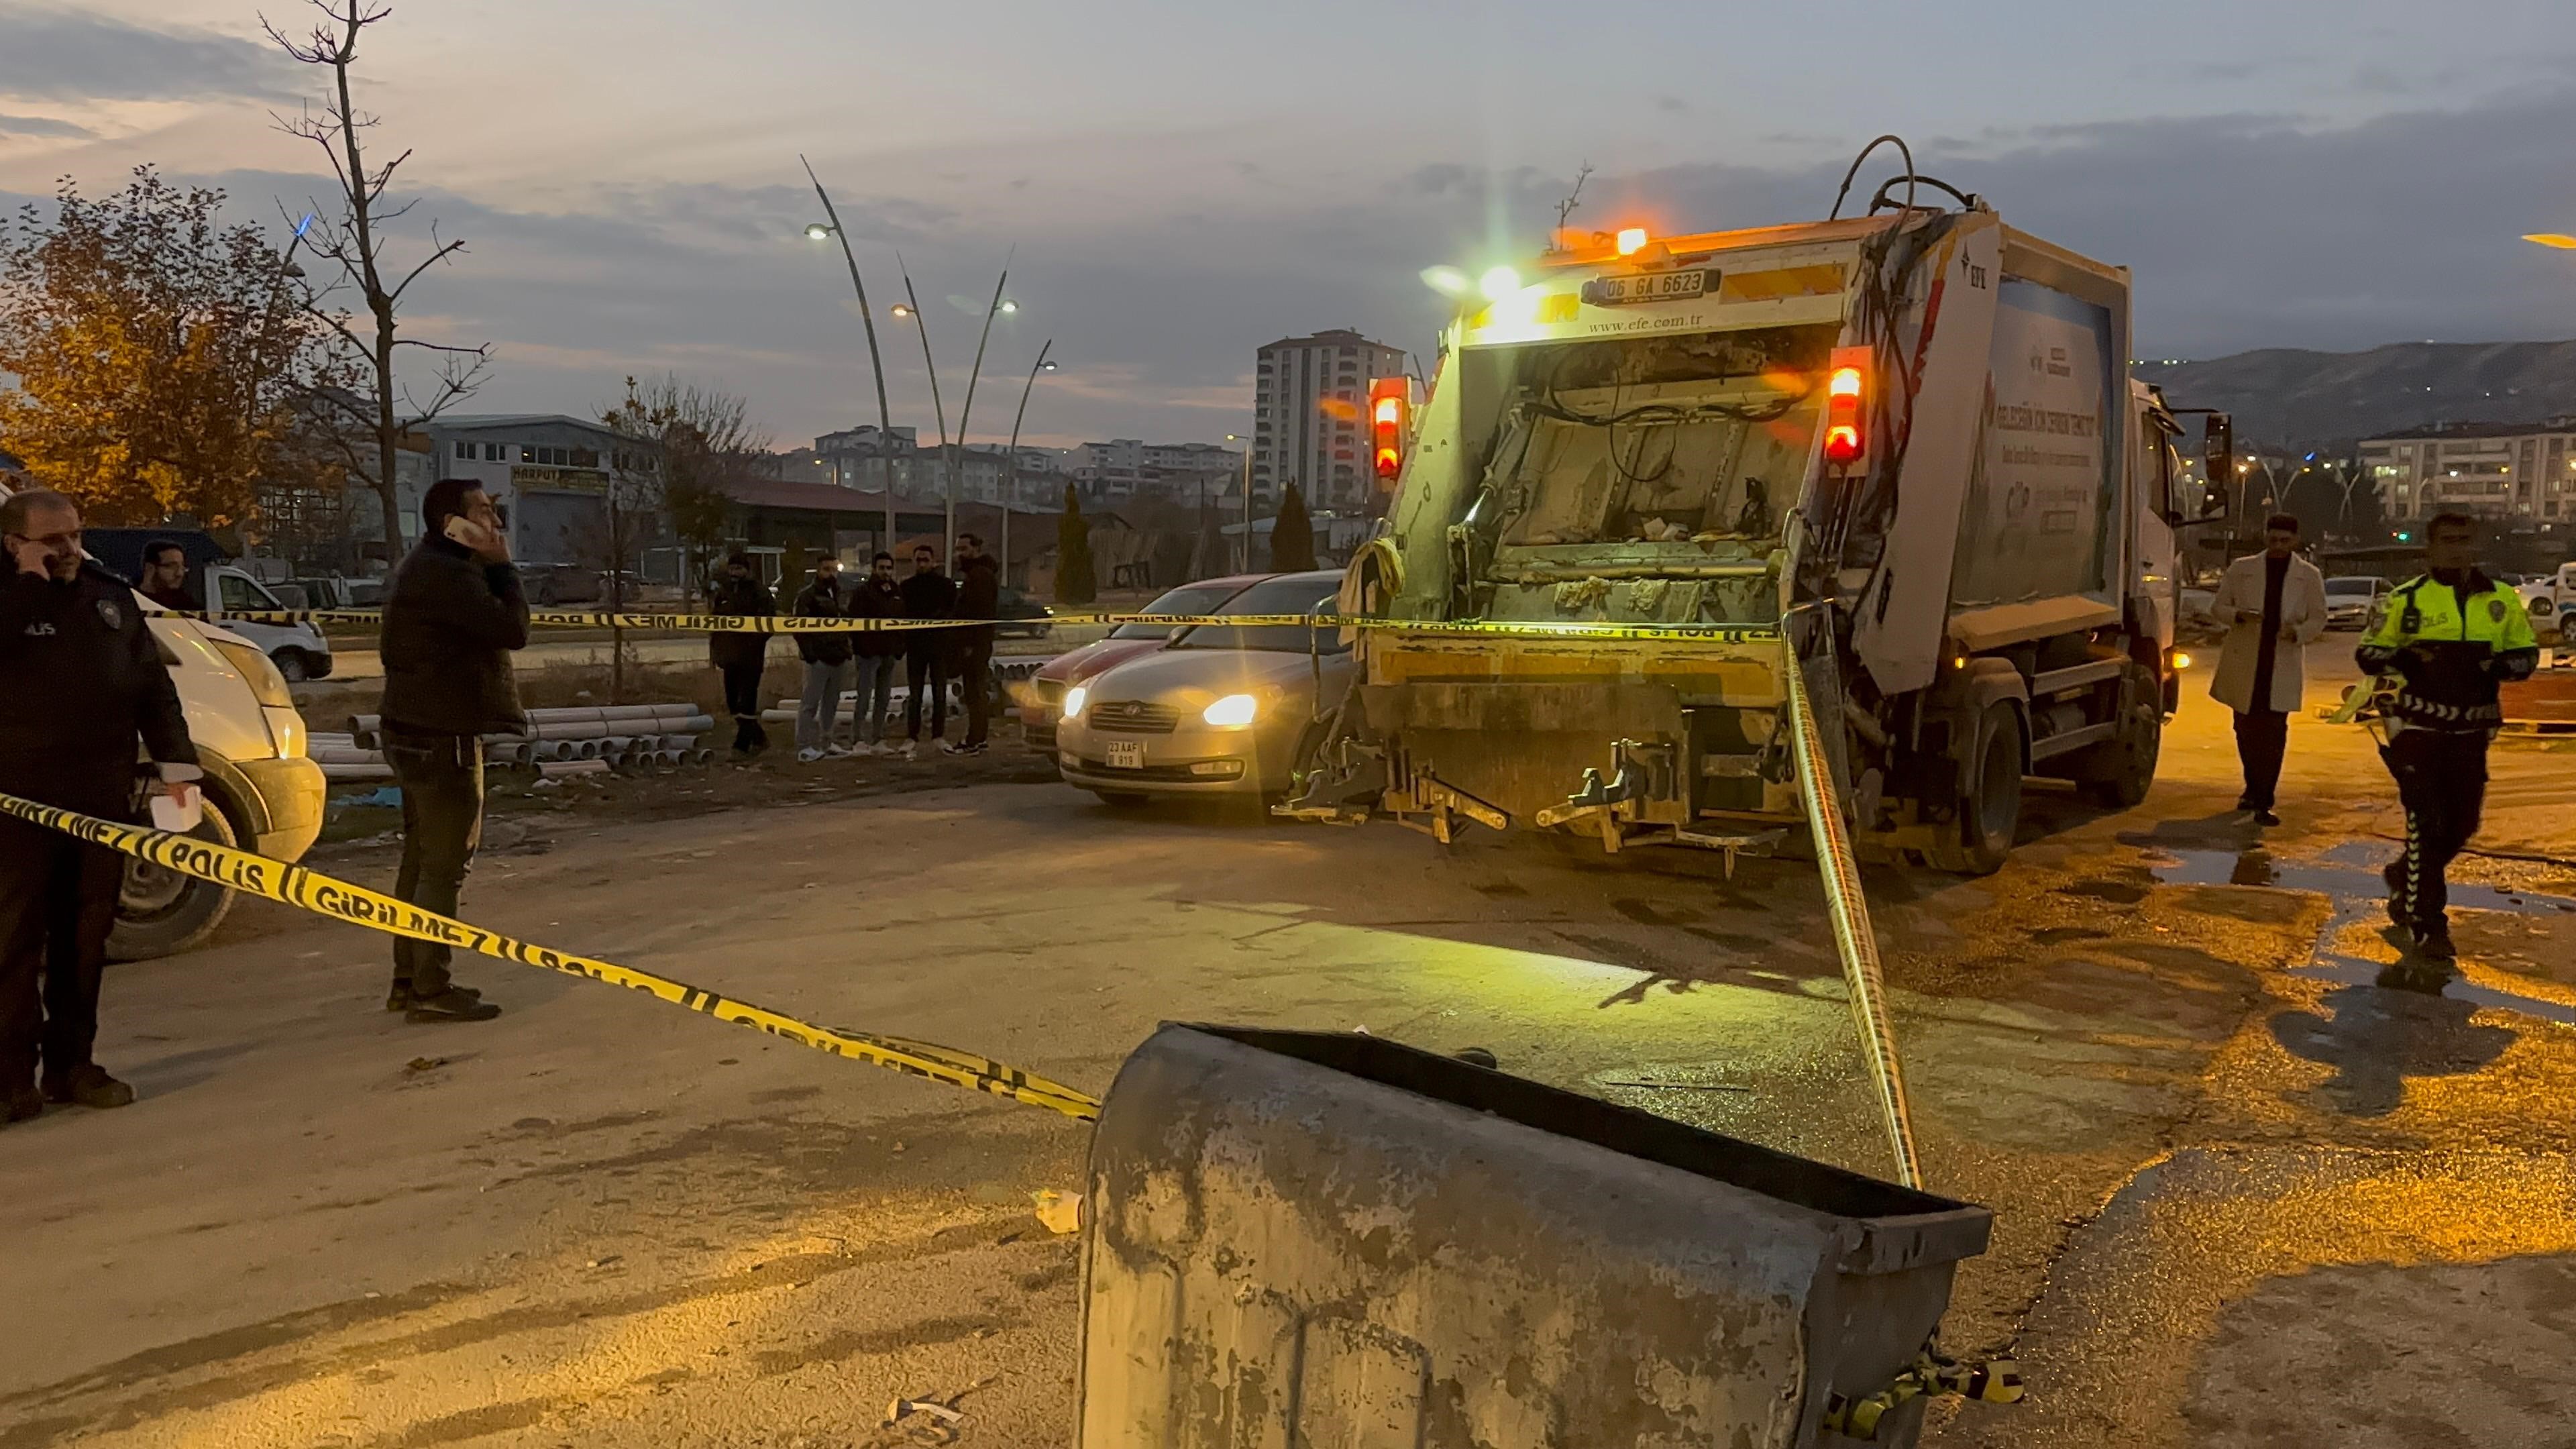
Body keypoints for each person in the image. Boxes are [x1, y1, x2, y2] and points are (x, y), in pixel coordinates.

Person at [0, 490, 201, 1121]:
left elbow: (152, 686)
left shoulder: (106, 595)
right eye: (51, 541)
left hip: (100, 798)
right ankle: (10, 1079)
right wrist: (29, 586)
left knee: (85, 938)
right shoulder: (8, 598)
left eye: (75, 536)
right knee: (13, 943)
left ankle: (73, 1066)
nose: (69, 550)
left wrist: (178, 767)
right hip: (18, 804)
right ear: (14, 544)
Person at [2356, 511, 2539, 967]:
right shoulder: (2405, 599)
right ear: (2431, 547)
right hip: (2416, 730)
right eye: (2448, 541)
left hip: (2472, 732)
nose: (2457, 549)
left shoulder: (2500, 599)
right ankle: (2428, 924)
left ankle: (2404, 874)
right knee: (2428, 823)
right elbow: (2368, 653)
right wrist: (2407, 657)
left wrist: (2498, 666)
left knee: (2462, 826)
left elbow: (2526, 655)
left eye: (2464, 540)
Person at [378, 478, 527, 1023]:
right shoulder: (448, 574)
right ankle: (431, 987)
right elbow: (512, 628)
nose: (495, 524)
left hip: (413, 729)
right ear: (454, 524)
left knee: (420, 861)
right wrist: (503, 568)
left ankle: (408, 978)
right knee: (443, 869)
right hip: (444, 737)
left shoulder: (426, 567)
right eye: (484, 513)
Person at [2207, 513, 2326, 826]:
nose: (2278, 547)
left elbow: (2318, 618)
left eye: (2285, 541)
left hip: (2281, 659)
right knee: (2245, 730)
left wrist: (2297, 632)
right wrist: (2239, 615)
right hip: (2247, 659)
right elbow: (2218, 607)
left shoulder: (2308, 576)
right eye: (2273, 540)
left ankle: (2264, 799)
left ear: (2295, 541)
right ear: (2265, 537)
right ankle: (2252, 788)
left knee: (2273, 734)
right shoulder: (2242, 569)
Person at [708, 553, 775, 757]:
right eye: (732, 568)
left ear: (747, 570)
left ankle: (742, 746)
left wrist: (753, 645)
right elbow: (715, 622)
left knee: (746, 704)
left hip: (750, 659)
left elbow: (768, 624)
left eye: (739, 568)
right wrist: (717, 651)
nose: (734, 572)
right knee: (733, 705)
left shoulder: (759, 593)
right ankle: (759, 739)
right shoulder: (724, 592)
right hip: (729, 658)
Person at [790, 556, 852, 762]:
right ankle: (804, 747)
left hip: (838, 656)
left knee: (831, 704)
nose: (831, 574)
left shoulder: (839, 594)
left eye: (834, 569)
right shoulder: (807, 596)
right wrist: (810, 656)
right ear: (818, 571)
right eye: (827, 569)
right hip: (818, 659)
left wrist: (846, 650)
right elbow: (799, 628)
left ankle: (827, 743)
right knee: (810, 704)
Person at [898, 543, 956, 759]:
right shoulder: (907, 587)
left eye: (925, 560)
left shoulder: (946, 585)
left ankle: (938, 735)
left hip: (939, 646)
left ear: (933, 562)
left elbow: (952, 613)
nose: (922, 564)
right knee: (915, 694)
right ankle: (912, 736)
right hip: (915, 646)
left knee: (940, 692)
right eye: (919, 560)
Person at [845, 551, 906, 755]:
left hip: (889, 653)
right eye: (882, 568)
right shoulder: (863, 592)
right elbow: (853, 622)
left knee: (883, 698)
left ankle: (878, 738)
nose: (885, 572)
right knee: (864, 698)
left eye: (889, 568)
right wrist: (862, 648)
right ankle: (858, 739)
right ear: (874, 569)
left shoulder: (897, 592)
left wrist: (899, 648)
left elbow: (903, 621)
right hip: (868, 655)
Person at [945, 533, 1000, 757]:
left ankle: (975, 739)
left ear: (976, 550)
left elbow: (979, 613)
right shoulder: (976, 574)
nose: (960, 554)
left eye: (964, 549)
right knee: (975, 692)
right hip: (976, 643)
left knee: (974, 693)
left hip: (975, 644)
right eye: (958, 549)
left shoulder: (980, 577)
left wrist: (970, 644)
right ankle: (978, 738)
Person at [136, 539, 201, 613]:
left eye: (182, 567)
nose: (179, 574)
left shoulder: (186, 604)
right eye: (172, 566)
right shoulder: (130, 601)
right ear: (150, 568)